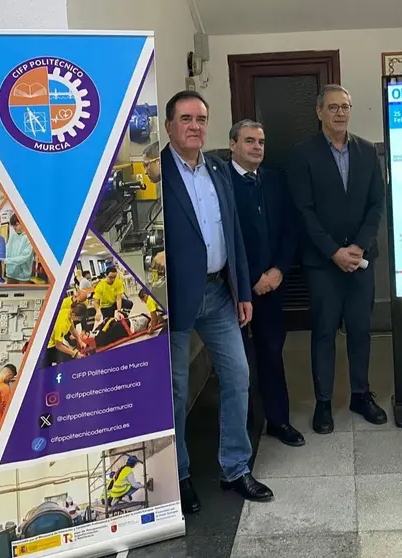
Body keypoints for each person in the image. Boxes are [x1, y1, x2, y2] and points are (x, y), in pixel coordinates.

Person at [153, 90, 272, 514]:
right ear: (169, 126)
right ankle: (180, 475)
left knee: (238, 376)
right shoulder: (157, 173)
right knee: (177, 389)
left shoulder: (219, 170)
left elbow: (234, 235)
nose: (194, 126)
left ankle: (235, 467)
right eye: (185, 118)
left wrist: (242, 291)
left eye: (201, 118)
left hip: (220, 292)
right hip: (175, 299)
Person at [289, 84, 386, 433]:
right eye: (333, 107)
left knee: (361, 331)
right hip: (322, 264)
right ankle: (324, 404)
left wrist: (359, 246)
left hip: (361, 261)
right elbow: (304, 211)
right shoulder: (302, 155)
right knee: (325, 333)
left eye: (345, 106)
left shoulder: (366, 151)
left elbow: (377, 203)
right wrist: (333, 251)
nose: (340, 113)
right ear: (319, 112)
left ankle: (361, 394)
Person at [227, 119, 303, 447]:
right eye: (249, 141)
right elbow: (227, 237)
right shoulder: (221, 182)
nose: (257, 147)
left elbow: (290, 228)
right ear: (233, 145)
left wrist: (279, 271)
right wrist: (254, 276)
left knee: (272, 352)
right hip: (235, 287)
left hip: (272, 285)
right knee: (236, 362)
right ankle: (242, 427)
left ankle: (278, 420)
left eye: (260, 141)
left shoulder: (273, 179)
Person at [3, 214, 34, 284]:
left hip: (22, 276)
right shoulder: (13, 236)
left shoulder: (29, 238)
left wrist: (7, 261)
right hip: (10, 273)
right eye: (13, 225)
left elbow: (24, 257)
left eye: (16, 225)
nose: (14, 227)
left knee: (21, 294)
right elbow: (7, 250)